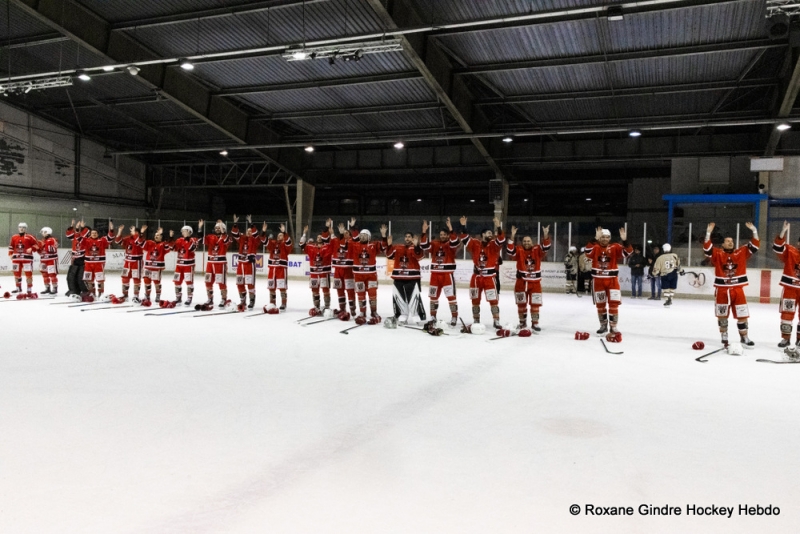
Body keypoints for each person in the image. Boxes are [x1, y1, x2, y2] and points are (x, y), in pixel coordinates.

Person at [704, 221, 759, 348]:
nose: (730, 242)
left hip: (737, 289)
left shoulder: (741, 252)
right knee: (722, 314)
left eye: (731, 241)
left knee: (742, 313)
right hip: (722, 290)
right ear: (722, 244)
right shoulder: (717, 253)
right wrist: (708, 233)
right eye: (728, 241)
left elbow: (755, 245)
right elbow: (707, 248)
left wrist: (754, 230)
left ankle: (744, 337)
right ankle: (724, 336)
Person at [459, 215, 506, 329]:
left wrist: (498, 227)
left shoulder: (494, 245)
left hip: (489, 278)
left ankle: (496, 320)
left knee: (493, 300)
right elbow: (465, 238)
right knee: (475, 300)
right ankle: (476, 320)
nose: (491, 234)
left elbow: (501, 239)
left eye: (491, 233)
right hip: (476, 278)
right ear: (483, 235)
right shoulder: (475, 243)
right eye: (488, 233)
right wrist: (464, 226)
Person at [584, 227, 632, 337]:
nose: (605, 239)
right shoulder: (595, 247)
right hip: (598, 281)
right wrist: (594, 239)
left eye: (607, 237)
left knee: (613, 304)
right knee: (600, 304)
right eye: (602, 237)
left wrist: (625, 240)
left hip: (612, 281)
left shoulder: (615, 247)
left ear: (610, 238)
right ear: (599, 238)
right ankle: (603, 325)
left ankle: (613, 326)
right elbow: (587, 251)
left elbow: (628, 252)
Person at [507, 225, 551, 332]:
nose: (526, 243)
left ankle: (535, 324)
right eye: (524, 241)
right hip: (521, 282)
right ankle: (522, 323)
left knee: (535, 304)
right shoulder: (519, 249)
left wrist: (545, 235)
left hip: (535, 283)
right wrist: (512, 236)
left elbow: (546, 247)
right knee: (521, 304)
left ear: (532, 242)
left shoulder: (537, 249)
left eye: (528, 241)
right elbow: (510, 251)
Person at [419, 218, 460, 327]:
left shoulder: (451, 245)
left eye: (444, 234)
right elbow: (423, 245)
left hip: (447, 275)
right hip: (435, 276)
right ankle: (433, 316)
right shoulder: (434, 244)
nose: (442, 236)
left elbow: (455, 241)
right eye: (441, 234)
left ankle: (454, 316)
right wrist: (424, 232)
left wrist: (451, 229)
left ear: (447, 235)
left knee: (451, 297)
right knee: (433, 297)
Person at [342, 222, 385, 324]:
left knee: (372, 294)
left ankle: (374, 312)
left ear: (369, 237)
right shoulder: (355, 245)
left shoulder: (373, 245)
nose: (362, 237)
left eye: (364, 235)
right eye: (361, 235)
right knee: (360, 294)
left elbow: (383, 248)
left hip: (371, 276)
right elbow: (345, 246)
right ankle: (362, 312)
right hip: (358, 275)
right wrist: (352, 229)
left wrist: (383, 236)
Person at [384, 229, 426, 325]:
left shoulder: (415, 247)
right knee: (399, 297)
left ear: (412, 238)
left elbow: (419, 257)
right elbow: (389, 255)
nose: (407, 238)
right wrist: (389, 245)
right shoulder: (398, 247)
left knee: (413, 297)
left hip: (412, 277)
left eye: (409, 237)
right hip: (398, 277)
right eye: (406, 237)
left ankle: (416, 316)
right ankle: (402, 315)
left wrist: (417, 246)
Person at [230, 215, 267, 310]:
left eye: (251, 231)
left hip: (249, 264)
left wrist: (251, 224)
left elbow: (256, 235)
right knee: (239, 283)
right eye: (248, 231)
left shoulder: (255, 240)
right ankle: (242, 300)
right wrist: (235, 224)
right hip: (240, 263)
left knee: (250, 283)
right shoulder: (242, 238)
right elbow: (235, 234)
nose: (249, 232)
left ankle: (251, 300)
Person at [773, 221, 800, 348]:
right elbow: (778, 247)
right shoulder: (790, 251)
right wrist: (783, 231)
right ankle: (785, 338)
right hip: (790, 288)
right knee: (787, 313)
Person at [326, 218, 358, 318]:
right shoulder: (336, 241)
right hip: (337, 271)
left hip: (348, 270)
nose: (345, 234)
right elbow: (330, 241)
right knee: (339, 289)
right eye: (343, 233)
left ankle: (352, 309)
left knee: (350, 290)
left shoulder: (352, 242)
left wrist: (352, 228)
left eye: (347, 233)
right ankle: (342, 308)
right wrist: (329, 229)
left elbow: (355, 239)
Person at [299, 224, 334, 315]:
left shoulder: (327, 247)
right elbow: (302, 245)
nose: (318, 238)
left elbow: (333, 245)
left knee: (325, 290)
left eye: (320, 236)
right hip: (314, 273)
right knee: (314, 290)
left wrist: (329, 232)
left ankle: (327, 307)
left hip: (324, 273)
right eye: (317, 237)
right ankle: (316, 306)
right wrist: (304, 234)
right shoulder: (311, 247)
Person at [199, 219, 231, 308]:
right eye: (216, 227)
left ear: (223, 229)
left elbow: (226, 241)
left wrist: (222, 227)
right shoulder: (210, 237)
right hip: (210, 263)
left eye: (219, 228)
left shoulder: (227, 238)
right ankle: (210, 299)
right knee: (208, 282)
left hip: (220, 264)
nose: (217, 229)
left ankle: (223, 299)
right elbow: (201, 240)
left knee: (221, 282)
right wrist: (200, 228)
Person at [79, 223, 115, 298]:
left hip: (99, 263)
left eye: (95, 233)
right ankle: (92, 293)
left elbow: (110, 237)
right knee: (89, 280)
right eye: (92, 233)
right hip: (88, 264)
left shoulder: (102, 240)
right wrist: (81, 228)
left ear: (98, 234)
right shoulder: (87, 240)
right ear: (90, 234)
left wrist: (111, 229)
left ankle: (100, 293)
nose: (94, 234)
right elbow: (79, 238)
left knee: (100, 279)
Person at [141, 226, 174, 304]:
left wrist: (169, 237)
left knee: (156, 281)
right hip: (148, 266)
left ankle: (158, 295)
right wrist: (142, 233)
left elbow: (169, 247)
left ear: (161, 237)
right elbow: (141, 243)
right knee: (146, 280)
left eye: (158, 235)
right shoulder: (150, 243)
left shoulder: (163, 245)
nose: (156, 236)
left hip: (157, 267)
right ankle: (147, 295)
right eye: (155, 235)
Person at [264, 223, 293, 311]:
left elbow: (289, 243)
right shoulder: (273, 244)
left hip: (281, 269)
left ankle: (283, 303)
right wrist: (264, 231)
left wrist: (284, 232)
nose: (279, 236)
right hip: (272, 268)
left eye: (281, 235)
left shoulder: (285, 245)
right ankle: (272, 302)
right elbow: (265, 242)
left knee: (282, 287)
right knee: (271, 287)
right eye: (279, 235)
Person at [114, 224, 145, 303]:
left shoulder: (140, 239)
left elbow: (139, 242)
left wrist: (136, 234)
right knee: (125, 278)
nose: (131, 231)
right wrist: (120, 231)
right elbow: (117, 241)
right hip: (127, 262)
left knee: (136, 279)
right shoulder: (128, 238)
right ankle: (125, 294)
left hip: (136, 262)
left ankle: (136, 295)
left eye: (134, 230)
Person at [8, 222, 39, 295]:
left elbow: (37, 245)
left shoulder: (30, 236)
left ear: (25, 229)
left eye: (23, 227)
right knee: (16, 274)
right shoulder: (14, 237)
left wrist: (31, 248)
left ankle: (29, 288)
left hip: (27, 259)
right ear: (18, 228)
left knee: (28, 274)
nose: (21, 229)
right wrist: (10, 254)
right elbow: (11, 246)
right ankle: (18, 288)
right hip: (16, 259)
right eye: (20, 227)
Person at [172, 223, 199, 306]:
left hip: (188, 265)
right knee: (177, 281)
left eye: (185, 231)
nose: (183, 232)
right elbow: (173, 248)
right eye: (182, 231)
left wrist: (187, 240)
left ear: (189, 232)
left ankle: (189, 298)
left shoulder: (193, 240)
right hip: (179, 264)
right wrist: (171, 238)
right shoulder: (179, 240)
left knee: (189, 282)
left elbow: (192, 248)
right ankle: (178, 297)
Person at [65, 220, 89, 296]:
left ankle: (84, 290)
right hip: (75, 257)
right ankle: (73, 289)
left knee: (81, 276)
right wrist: (72, 225)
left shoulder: (85, 236)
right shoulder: (75, 236)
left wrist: (81, 227)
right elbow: (68, 234)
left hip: (83, 257)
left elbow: (84, 233)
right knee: (71, 275)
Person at [37, 227, 59, 295]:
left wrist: (45, 244)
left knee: (52, 274)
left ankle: (55, 288)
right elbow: (40, 252)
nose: (43, 233)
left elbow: (51, 250)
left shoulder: (52, 239)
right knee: (44, 274)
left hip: (51, 260)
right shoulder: (42, 241)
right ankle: (47, 287)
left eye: (44, 232)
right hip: (43, 260)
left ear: (47, 232)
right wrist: (38, 248)